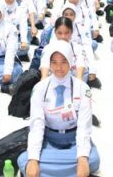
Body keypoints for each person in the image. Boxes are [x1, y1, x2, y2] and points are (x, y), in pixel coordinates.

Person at [17, 41, 100, 177]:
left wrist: (82, 158)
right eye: (54, 62)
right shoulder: (40, 89)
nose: (58, 67)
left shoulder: (82, 88)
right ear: (49, 64)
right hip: (49, 140)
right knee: (24, 160)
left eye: (63, 62)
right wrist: (33, 159)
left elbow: (84, 127)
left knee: (93, 160)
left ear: (70, 62)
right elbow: (37, 125)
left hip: (73, 139)